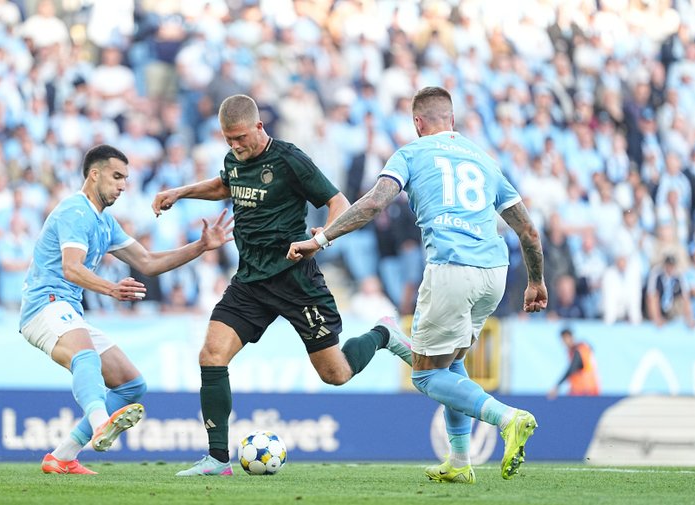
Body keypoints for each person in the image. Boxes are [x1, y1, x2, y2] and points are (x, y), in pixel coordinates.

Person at [288, 87, 547, 484]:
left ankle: (507, 418)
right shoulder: (484, 159)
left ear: (417, 123)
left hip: (451, 268)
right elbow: (528, 231)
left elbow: (375, 203)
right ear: (452, 121)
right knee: (452, 360)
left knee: (426, 376)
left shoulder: (411, 153)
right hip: (495, 272)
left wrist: (320, 240)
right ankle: (460, 461)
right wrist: (536, 281)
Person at [151, 95, 412, 477]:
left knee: (335, 374)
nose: (235, 146)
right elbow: (225, 185)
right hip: (250, 281)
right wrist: (180, 192)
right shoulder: (233, 160)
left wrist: (326, 234)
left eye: (240, 138)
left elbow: (337, 201)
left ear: (259, 127)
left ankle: (383, 333)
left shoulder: (290, 159)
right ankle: (218, 459)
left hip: (295, 278)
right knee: (211, 355)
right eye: (228, 140)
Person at [21, 144, 233, 475]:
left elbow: (147, 262)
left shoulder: (105, 223)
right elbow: (71, 268)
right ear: (94, 175)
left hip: (67, 311)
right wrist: (111, 288)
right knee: (86, 356)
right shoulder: (74, 212)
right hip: (44, 305)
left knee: (131, 386)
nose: (122, 185)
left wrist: (201, 246)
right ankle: (100, 422)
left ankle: (62, 457)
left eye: (126, 179)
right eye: (116, 176)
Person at [547, 328, 600, 398]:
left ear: (572, 337)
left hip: (586, 390)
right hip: (581, 389)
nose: (565, 342)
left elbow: (573, 368)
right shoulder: (574, 350)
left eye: (566, 338)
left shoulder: (580, 350)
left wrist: (557, 386)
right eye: (563, 339)